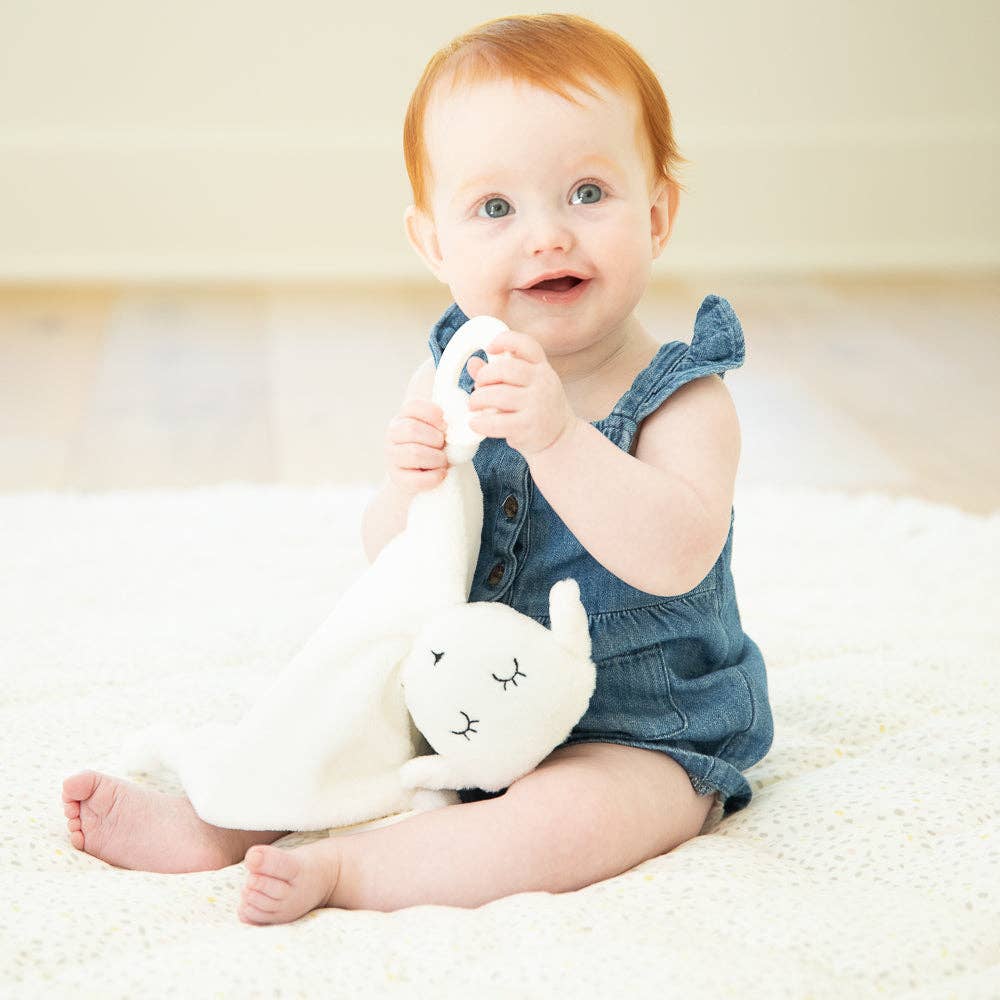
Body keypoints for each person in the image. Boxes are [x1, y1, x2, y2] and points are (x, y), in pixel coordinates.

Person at [60, 12, 773, 923]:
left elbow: (674, 555)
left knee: (575, 820)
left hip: (640, 725)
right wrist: (407, 483)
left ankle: (356, 871)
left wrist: (558, 438)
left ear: (659, 214)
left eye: (588, 192)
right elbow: (392, 559)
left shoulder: (685, 396)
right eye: (495, 209)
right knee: (330, 708)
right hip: (454, 694)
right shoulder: (453, 371)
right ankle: (221, 822)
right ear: (434, 243)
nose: (547, 235)